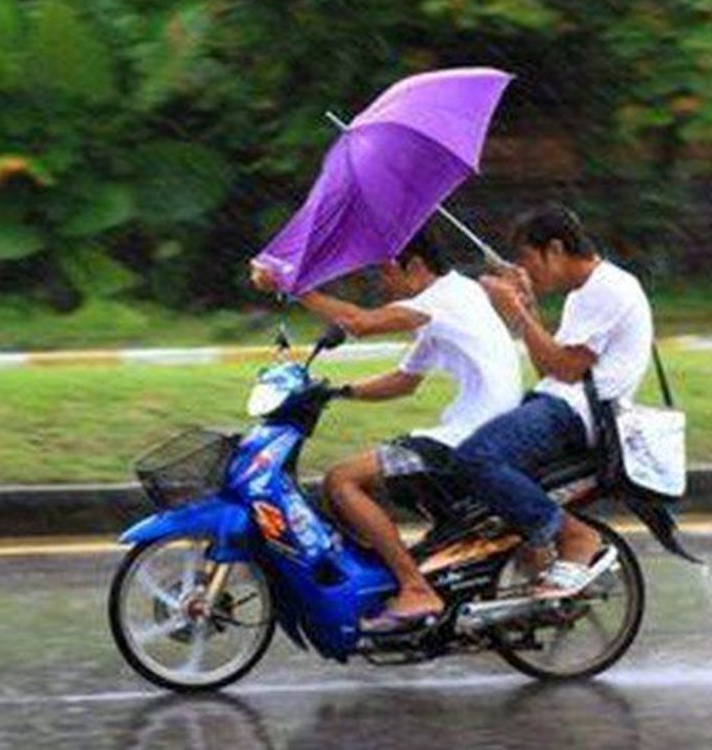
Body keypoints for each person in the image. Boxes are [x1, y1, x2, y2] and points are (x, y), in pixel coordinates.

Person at [251, 229, 523, 628]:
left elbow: (358, 323)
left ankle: (415, 587)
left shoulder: (442, 301)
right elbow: (405, 381)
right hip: (472, 429)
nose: (384, 282)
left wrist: (292, 285)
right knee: (347, 482)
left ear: (414, 265)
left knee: (342, 481)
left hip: (470, 439)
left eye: (386, 271)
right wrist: (336, 392)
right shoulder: (448, 300)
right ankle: (394, 575)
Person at [455, 203, 654, 597]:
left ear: (556, 250)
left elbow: (563, 369)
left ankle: (575, 538)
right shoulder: (584, 293)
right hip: (558, 404)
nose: (526, 271)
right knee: (459, 474)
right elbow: (551, 368)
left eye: (529, 260)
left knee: (476, 457)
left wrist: (518, 314)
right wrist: (527, 308)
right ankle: (533, 563)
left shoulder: (610, 289)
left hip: (577, 416)